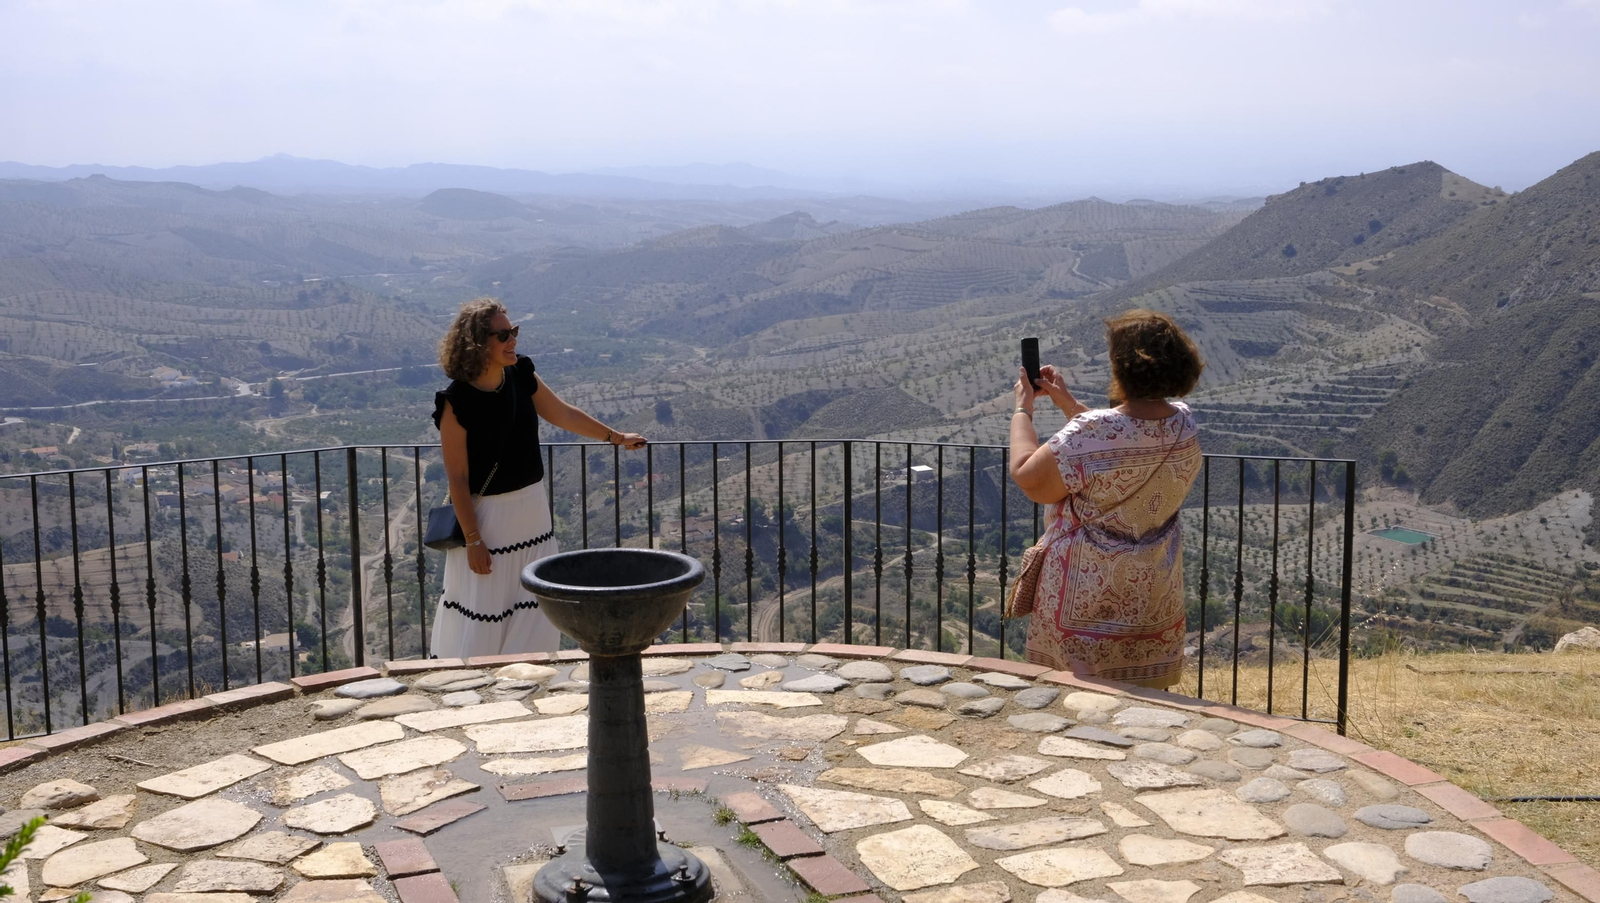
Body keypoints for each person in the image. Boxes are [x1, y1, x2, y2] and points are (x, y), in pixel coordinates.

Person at [431, 298, 645, 658]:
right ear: (478, 343)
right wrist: (473, 540)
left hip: (533, 515)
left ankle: (527, 684)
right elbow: (458, 477)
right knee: (487, 612)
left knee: (535, 608)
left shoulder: (521, 374)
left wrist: (615, 437)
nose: (512, 339)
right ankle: (480, 689)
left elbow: (561, 413)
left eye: (513, 331)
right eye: (503, 334)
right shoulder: (456, 402)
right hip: (489, 524)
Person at [1007, 309, 1204, 688]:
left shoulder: (1092, 430)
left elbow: (1028, 477)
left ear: (1123, 367)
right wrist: (1069, 404)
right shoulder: (1184, 422)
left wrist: (1023, 410)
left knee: (1077, 703)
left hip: (1083, 603)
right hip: (1153, 595)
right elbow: (1123, 432)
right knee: (1145, 708)